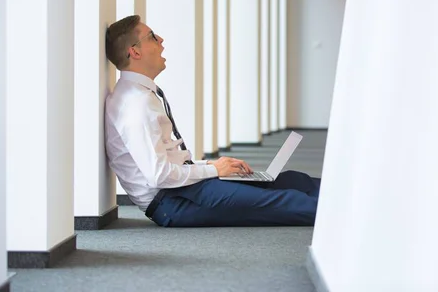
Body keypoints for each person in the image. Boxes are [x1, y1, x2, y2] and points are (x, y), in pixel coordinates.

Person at [104, 15, 320, 227]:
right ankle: (345, 214)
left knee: (292, 180)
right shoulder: (135, 104)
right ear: (135, 51)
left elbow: (166, 163)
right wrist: (215, 170)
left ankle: (345, 194)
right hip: (173, 201)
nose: (161, 40)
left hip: (183, 188)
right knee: (284, 201)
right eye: (152, 36)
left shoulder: (139, 95)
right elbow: (159, 176)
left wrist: (210, 165)